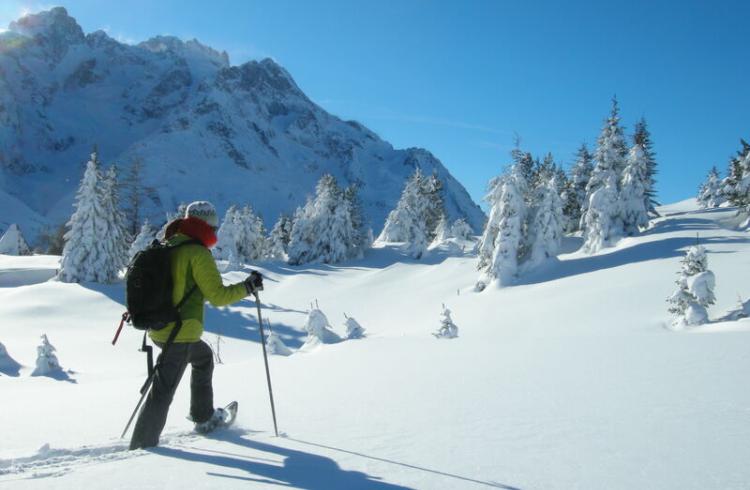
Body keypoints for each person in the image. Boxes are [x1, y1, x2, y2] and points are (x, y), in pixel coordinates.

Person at [129, 201, 263, 450]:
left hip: (159, 329)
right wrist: (248, 287)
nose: (216, 230)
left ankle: (203, 416)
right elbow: (218, 296)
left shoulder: (171, 245)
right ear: (206, 226)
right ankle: (142, 447)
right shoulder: (198, 253)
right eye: (214, 226)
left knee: (203, 357)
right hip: (180, 332)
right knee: (163, 390)